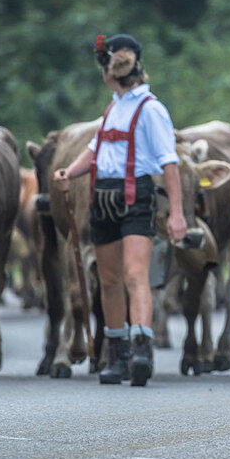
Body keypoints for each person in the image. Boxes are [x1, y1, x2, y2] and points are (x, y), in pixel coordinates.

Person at [53, 34, 186, 386]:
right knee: (109, 281)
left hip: (136, 197)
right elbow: (95, 150)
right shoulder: (113, 109)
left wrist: (176, 213)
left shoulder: (151, 109)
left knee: (133, 275)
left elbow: (169, 163)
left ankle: (142, 349)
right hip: (103, 199)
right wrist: (71, 171)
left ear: (107, 71)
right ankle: (118, 355)